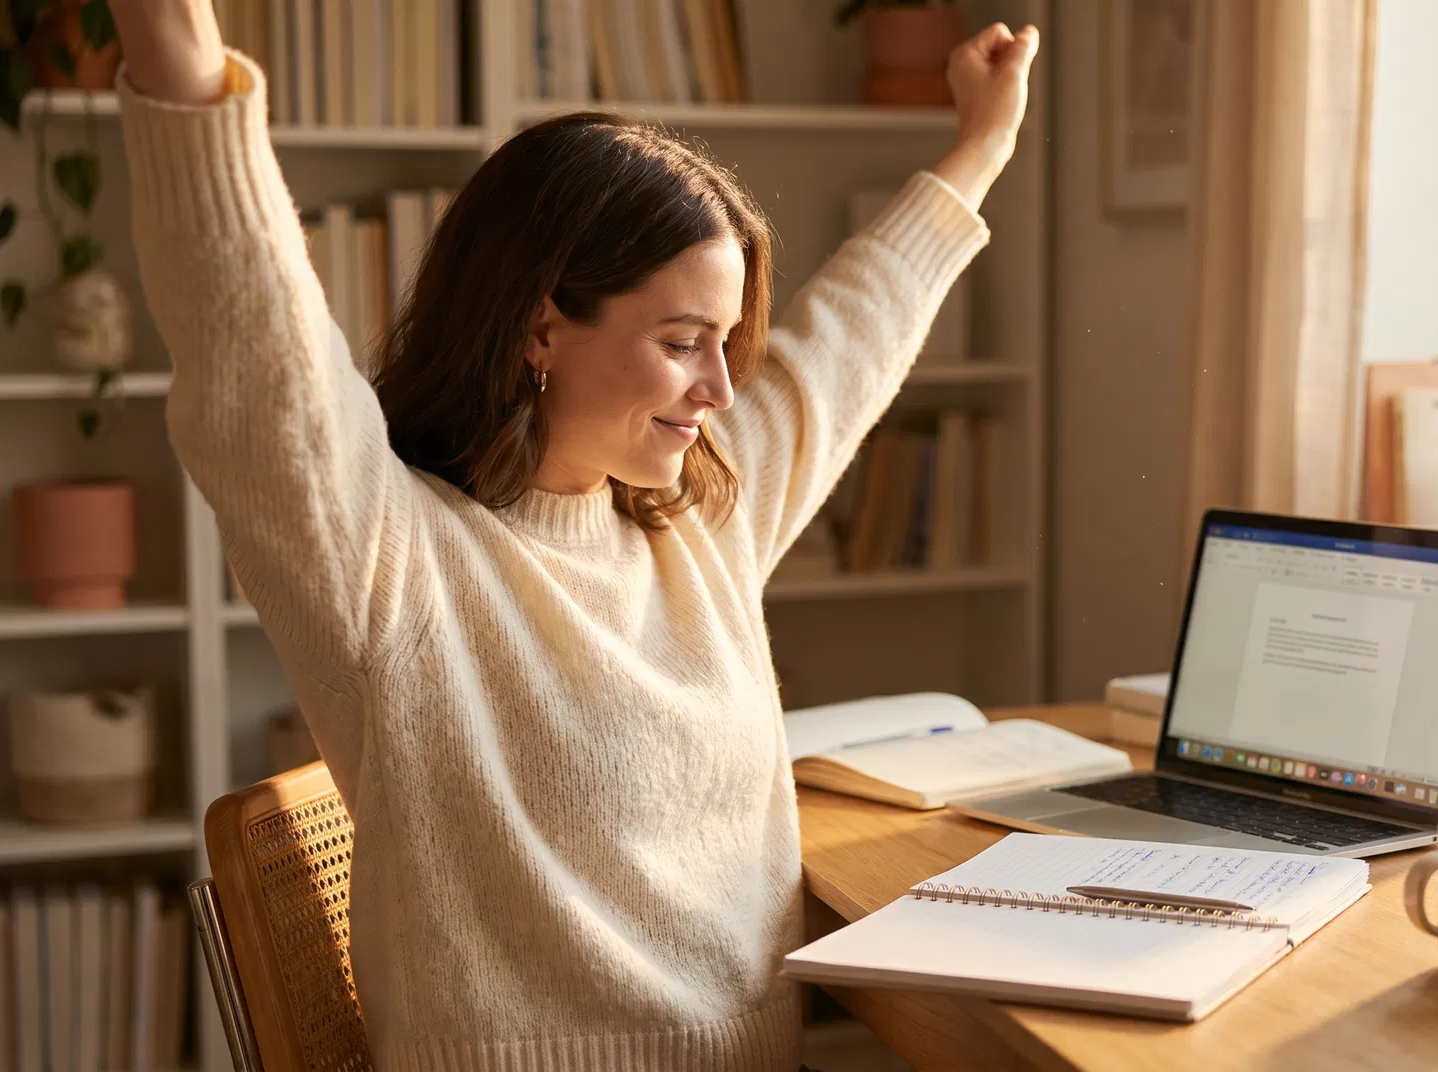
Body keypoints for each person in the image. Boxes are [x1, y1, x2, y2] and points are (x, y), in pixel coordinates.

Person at [108, 2, 1038, 1067]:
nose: (723, 389)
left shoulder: (697, 526)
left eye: (729, 343)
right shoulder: (392, 555)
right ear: (543, 327)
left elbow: (850, 340)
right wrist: (174, 50)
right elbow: (251, 328)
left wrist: (982, 145)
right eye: (685, 341)